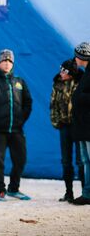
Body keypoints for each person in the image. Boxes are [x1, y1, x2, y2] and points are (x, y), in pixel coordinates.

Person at [0, 49, 33, 201]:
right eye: (4, 61)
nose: (7, 64)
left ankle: (13, 189)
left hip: (16, 129)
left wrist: (21, 119)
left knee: (20, 159)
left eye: (10, 61)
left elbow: (28, 102)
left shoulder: (19, 82)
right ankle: (0, 191)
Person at [50, 59, 84, 202]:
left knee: (81, 160)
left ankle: (85, 192)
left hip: (79, 126)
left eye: (64, 70)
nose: (61, 73)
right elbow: (53, 104)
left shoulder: (82, 82)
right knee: (66, 161)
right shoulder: (58, 83)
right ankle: (68, 192)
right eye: (61, 69)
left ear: (70, 73)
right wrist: (56, 122)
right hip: (65, 126)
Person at [71, 42, 90, 205]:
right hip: (83, 126)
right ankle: (87, 193)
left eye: (77, 55)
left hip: (88, 126)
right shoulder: (86, 73)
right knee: (85, 161)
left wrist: (79, 97)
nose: (75, 59)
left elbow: (85, 97)